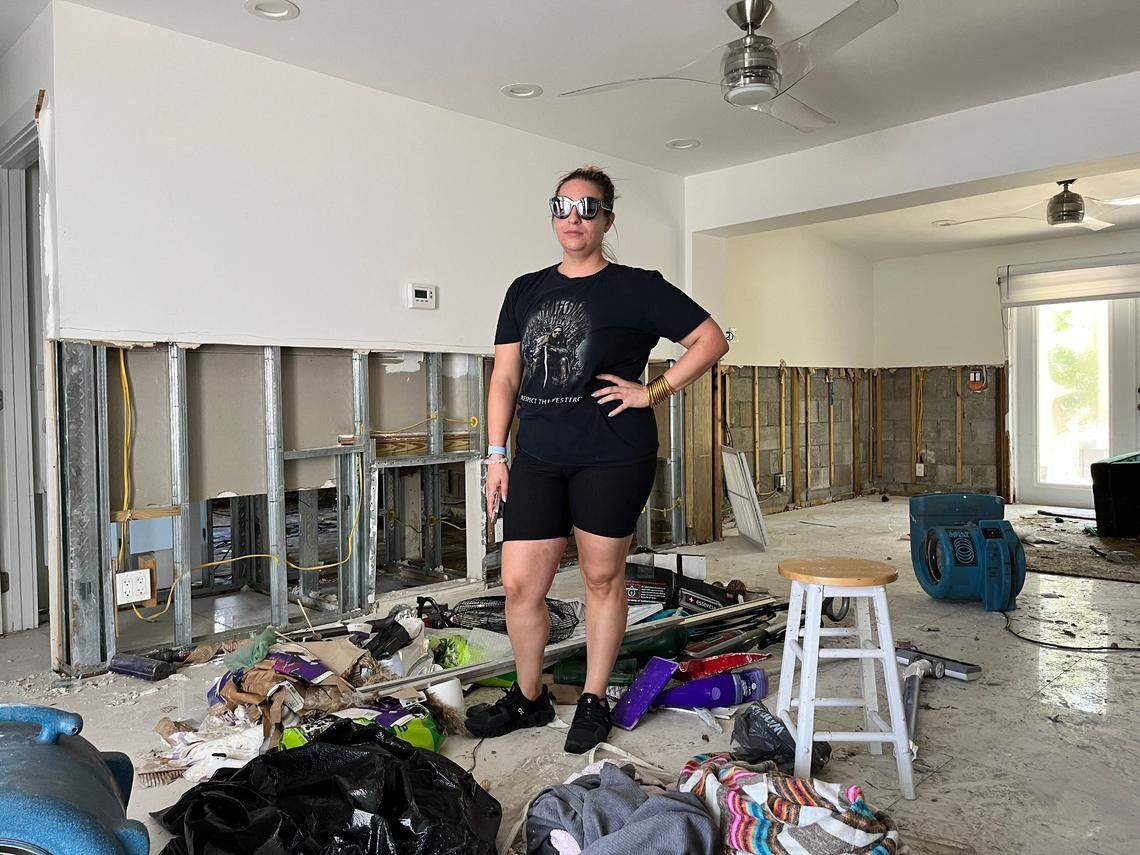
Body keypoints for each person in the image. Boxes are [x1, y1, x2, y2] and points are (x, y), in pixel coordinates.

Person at [464, 165, 729, 753]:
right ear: (553, 214)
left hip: (612, 453)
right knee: (518, 585)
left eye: (588, 208)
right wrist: (496, 454)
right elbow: (506, 377)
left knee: (601, 576)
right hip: (535, 454)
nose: (573, 218)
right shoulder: (525, 290)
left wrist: (652, 391)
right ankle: (529, 697)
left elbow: (711, 340)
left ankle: (593, 695)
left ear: (608, 219)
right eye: (563, 206)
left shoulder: (637, 286)